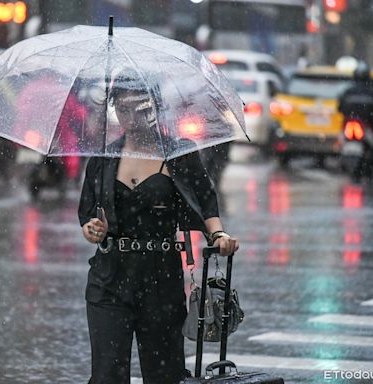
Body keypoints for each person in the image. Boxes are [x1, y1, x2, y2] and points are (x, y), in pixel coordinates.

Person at [78, 70, 239, 384]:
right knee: (107, 374)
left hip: (160, 279)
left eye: (140, 107)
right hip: (109, 279)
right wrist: (92, 228)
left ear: (154, 106)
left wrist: (218, 233)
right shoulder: (104, 155)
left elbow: (205, 199)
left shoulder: (178, 152)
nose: (132, 116)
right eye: (123, 109)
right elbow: (87, 215)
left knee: (164, 374)